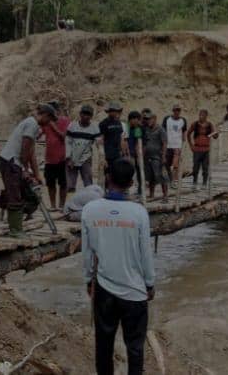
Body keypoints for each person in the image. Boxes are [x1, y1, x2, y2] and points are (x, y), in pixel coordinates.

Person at [82, 159, 155, 375]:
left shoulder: (90, 210)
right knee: (135, 347)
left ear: (107, 178)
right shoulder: (139, 213)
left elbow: (87, 253)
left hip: (104, 289)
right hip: (134, 292)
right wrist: (149, 283)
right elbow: (145, 254)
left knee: (103, 345)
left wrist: (88, 280)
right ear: (131, 182)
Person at [0, 105, 57, 237]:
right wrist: (25, 169)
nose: (49, 123)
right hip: (11, 161)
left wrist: (36, 174)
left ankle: (17, 224)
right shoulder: (32, 124)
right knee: (15, 195)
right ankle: (15, 230)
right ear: (46, 115)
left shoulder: (33, 125)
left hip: (13, 162)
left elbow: (31, 153)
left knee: (22, 193)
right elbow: (25, 149)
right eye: (50, 119)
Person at [40, 101, 71, 211]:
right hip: (49, 158)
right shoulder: (46, 122)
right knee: (50, 183)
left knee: (63, 183)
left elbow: (65, 137)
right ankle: (53, 206)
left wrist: (54, 126)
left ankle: (62, 205)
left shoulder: (65, 121)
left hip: (62, 158)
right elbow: (39, 133)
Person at [65, 105, 100, 191]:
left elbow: (98, 143)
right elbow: (67, 142)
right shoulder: (72, 125)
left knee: (88, 184)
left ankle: (89, 202)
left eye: (88, 114)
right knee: (70, 185)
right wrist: (68, 157)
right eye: (84, 114)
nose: (86, 116)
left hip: (85, 158)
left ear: (91, 116)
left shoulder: (95, 128)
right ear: (80, 114)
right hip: (72, 158)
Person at [141, 109, 168, 202]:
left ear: (155, 119)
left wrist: (164, 156)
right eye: (146, 119)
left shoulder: (160, 129)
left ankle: (165, 196)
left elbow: (164, 143)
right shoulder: (146, 129)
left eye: (149, 119)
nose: (147, 121)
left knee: (160, 175)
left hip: (157, 156)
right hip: (148, 156)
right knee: (150, 176)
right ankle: (151, 194)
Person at [187, 109, 218, 190]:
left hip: (206, 150)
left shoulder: (209, 125)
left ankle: (204, 183)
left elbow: (215, 136)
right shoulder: (195, 124)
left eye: (202, 115)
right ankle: (194, 183)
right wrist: (191, 145)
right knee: (195, 168)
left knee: (205, 168)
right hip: (197, 149)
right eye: (200, 115)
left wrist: (216, 134)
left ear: (206, 116)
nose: (200, 116)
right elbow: (188, 134)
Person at [162, 104, 188, 189]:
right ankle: (170, 179)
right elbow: (163, 131)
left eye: (178, 110)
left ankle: (174, 181)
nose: (177, 112)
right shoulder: (167, 119)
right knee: (167, 164)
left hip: (177, 146)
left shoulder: (183, 120)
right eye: (175, 110)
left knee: (175, 165)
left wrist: (184, 143)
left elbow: (184, 131)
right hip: (168, 145)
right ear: (173, 111)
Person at [99, 101, 129, 170]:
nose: (116, 112)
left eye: (117, 111)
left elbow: (121, 138)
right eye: (114, 110)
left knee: (118, 175)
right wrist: (103, 158)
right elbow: (101, 141)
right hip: (108, 155)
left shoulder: (119, 123)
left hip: (118, 154)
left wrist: (124, 153)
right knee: (108, 175)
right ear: (109, 111)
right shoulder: (103, 123)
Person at [124, 110, 144, 196]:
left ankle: (140, 190)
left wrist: (138, 155)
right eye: (135, 120)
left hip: (135, 153)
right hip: (127, 152)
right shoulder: (126, 127)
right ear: (130, 120)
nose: (137, 122)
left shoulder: (137, 128)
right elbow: (124, 141)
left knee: (139, 171)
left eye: (138, 120)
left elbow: (137, 141)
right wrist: (127, 154)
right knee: (127, 172)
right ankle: (125, 189)